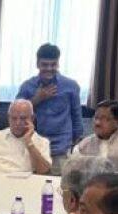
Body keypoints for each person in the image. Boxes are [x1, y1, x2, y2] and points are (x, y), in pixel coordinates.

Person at [17, 43, 83, 175]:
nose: (49, 68)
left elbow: (76, 117)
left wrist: (76, 145)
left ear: (58, 64)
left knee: (59, 185)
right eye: (45, 64)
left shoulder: (71, 86)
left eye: (53, 64)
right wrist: (37, 99)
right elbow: (16, 114)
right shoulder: (27, 86)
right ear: (37, 64)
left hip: (61, 149)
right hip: (35, 148)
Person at [73, 100, 118, 176]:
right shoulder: (84, 144)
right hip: (92, 182)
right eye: (96, 118)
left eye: (104, 119)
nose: (97, 123)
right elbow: (74, 171)